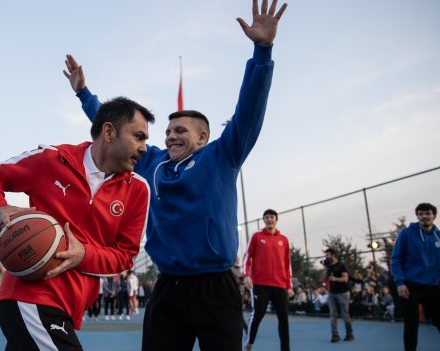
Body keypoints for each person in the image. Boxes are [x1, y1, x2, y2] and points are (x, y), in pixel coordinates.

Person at [63, 1, 287, 349]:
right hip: (169, 288)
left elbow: (250, 109)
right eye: (167, 131)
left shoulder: (222, 156)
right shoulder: (153, 163)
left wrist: (263, 51)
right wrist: (83, 94)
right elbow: (117, 130)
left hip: (217, 288)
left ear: (202, 137)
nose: (169, 136)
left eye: (180, 130)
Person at [0, 96, 152, 350]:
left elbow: (125, 256)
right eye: (138, 136)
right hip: (28, 298)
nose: (144, 148)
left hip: (69, 306)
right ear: (109, 131)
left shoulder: (138, 190)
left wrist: (84, 254)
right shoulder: (51, 159)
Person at [391, 202, 440, 351]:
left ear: (434, 215)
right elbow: (396, 259)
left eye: (427, 213)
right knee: (411, 325)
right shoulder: (406, 234)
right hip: (410, 286)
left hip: (431, 286)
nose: (424, 216)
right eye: (420, 214)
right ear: (417, 216)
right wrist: (400, 282)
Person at [243, 209, 293, 351]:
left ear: (276, 219)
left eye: (271, 217)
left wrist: (289, 286)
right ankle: (249, 343)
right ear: (264, 220)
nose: (269, 219)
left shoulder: (284, 239)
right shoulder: (257, 236)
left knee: (283, 318)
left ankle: (285, 349)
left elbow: (287, 263)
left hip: (280, 285)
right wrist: (247, 275)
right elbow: (247, 257)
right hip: (260, 284)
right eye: (266, 217)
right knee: (258, 314)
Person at [323, 248, 354, 343]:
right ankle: (335, 335)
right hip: (332, 293)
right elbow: (324, 278)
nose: (326, 257)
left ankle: (349, 333)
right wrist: (325, 269)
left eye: (328, 255)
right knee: (333, 315)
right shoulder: (328, 267)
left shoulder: (341, 265)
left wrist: (335, 279)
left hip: (343, 293)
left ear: (333, 255)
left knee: (345, 314)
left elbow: (345, 279)